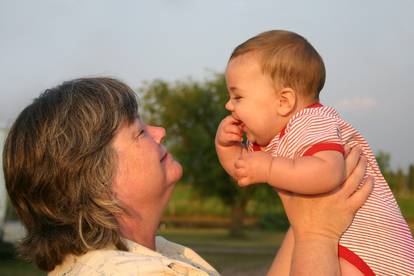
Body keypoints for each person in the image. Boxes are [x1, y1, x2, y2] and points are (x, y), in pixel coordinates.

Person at [3, 77, 372, 275]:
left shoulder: (144, 256)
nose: (160, 131)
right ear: (97, 179)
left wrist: (304, 214)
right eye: (139, 131)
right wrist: (317, 236)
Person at [215, 30, 414, 275]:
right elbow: (243, 170)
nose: (228, 105)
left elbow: (328, 172)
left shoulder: (312, 122)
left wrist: (268, 168)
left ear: (284, 101)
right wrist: (227, 147)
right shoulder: (277, 137)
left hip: (372, 246)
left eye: (237, 96)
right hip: (344, 238)